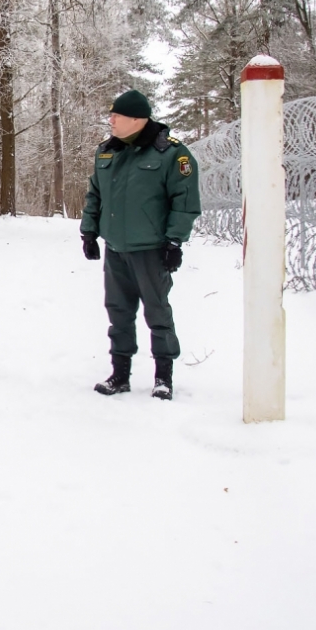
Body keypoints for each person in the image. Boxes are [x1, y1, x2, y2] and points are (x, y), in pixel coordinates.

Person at [80, 88, 201, 400]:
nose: (111, 120)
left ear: (136, 119)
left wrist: (174, 241)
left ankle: (163, 376)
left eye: (116, 115)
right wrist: (89, 233)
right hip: (116, 249)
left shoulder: (172, 154)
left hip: (151, 249)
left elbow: (184, 201)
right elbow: (95, 194)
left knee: (158, 312)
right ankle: (120, 375)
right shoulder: (107, 151)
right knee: (118, 312)